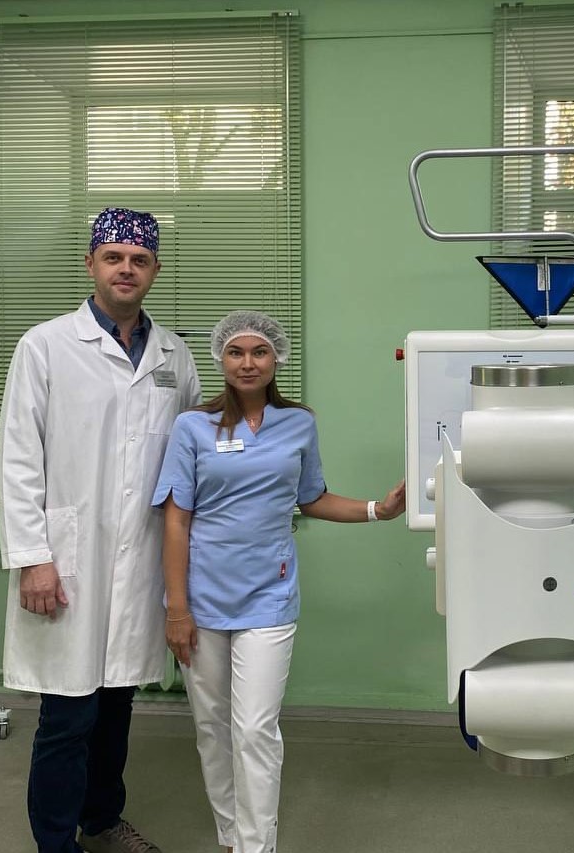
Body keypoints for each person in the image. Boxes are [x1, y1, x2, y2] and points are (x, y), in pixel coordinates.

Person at [154, 310, 405, 853]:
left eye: (259, 352)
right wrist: (177, 608)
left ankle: (256, 846)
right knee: (212, 727)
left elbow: (312, 497)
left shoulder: (298, 424)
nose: (247, 363)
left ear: (276, 359)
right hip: (200, 599)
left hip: (269, 595)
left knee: (254, 730)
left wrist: (377, 510)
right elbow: (176, 520)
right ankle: (229, 834)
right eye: (236, 352)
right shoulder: (192, 427)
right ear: (221, 359)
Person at [0, 208, 202, 853]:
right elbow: (18, 457)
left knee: (117, 704)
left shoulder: (175, 356)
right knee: (67, 715)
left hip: (140, 559)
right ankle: (56, 843)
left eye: (139, 260)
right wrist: (34, 557)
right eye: (113, 257)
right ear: (91, 264)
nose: (126, 269)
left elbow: (190, 456)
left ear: (155, 271)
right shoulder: (45, 345)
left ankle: (103, 822)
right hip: (67, 557)